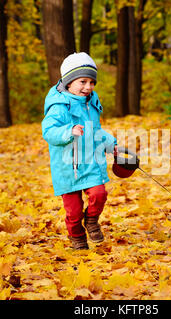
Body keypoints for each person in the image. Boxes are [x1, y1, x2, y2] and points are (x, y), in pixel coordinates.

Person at [42, 52, 117, 250]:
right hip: (67, 166)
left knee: (99, 194)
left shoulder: (90, 103)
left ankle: (92, 220)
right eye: (82, 81)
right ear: (68, 82)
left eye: (92, 82)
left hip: (91, 162)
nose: (88, 87)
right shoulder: (59, 106)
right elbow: (48, 131)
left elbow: (96, 131)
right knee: (73, 211)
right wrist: (69, 131)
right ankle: (77, 237)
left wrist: (112, 145)